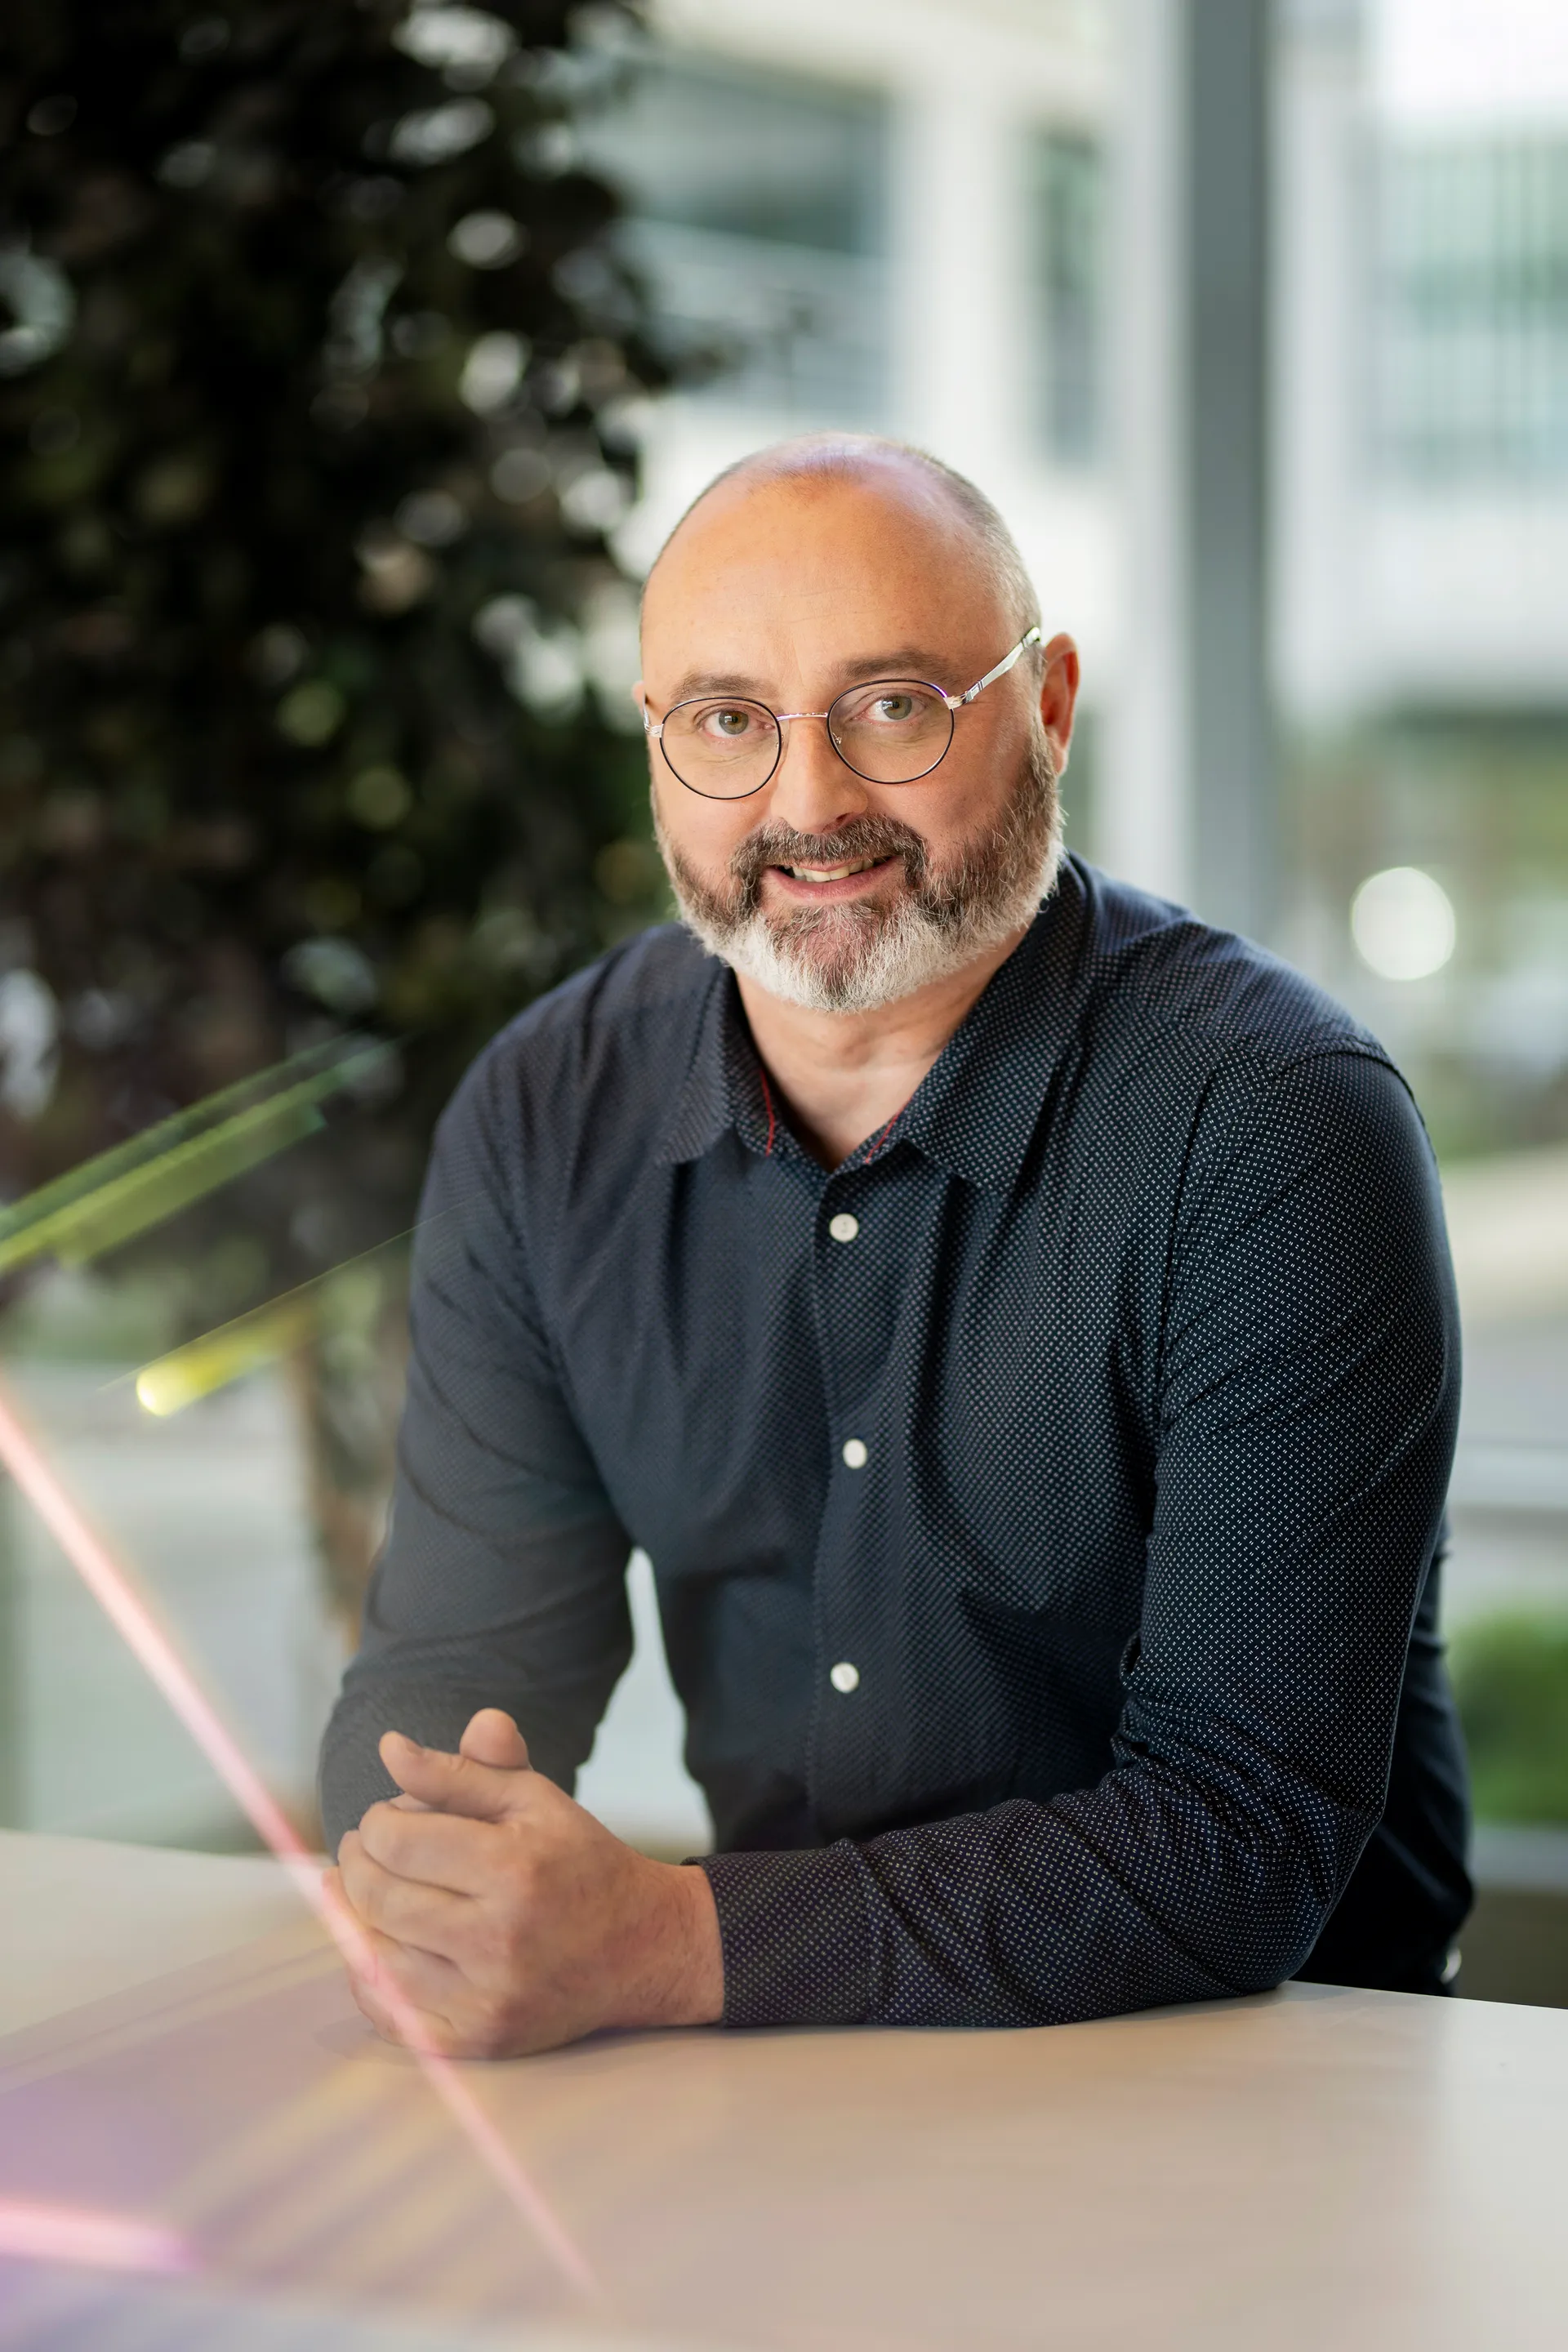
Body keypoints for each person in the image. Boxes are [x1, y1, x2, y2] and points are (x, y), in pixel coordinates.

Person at [319, 433, 1469, 2059]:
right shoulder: (545, 1117)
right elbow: (450, 1674)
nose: (807, 803)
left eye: (893, 706)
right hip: (788, 2072)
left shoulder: (1274, 1127)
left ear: (1049, 702)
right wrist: (446, 1876)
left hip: (1266, 2088)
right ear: (655, 746)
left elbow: (1238, 1839)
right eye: (729, 720)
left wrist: (670, 1939)